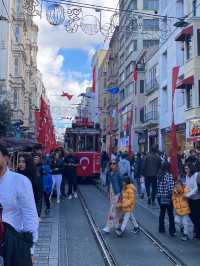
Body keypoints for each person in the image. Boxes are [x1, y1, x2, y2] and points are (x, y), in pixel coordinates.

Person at [0, 145, 38, 266]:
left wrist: (30, 250)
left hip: (13, 244)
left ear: (6, 158)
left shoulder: (20, 181)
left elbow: (30, 214)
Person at [18, 153, 43, 220]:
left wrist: (37, 214)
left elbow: (39, 198)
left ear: (28, 163)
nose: (20, 164)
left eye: (23, 162)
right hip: (17, 212)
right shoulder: (16, 176)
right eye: (19, 161)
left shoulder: (36, 177)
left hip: (30, 211)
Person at [102, 160, 122, 233]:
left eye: (114, 163)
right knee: (117, 210)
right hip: (111, 193)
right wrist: (107, 192)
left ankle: (108, 226)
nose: (112, 165)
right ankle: (118, 225)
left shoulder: (118, 174)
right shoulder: (109, 173)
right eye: (111, 163)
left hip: (117, 193)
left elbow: (122, 185)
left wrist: (121, 196)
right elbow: (108, 183)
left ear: (116, 165)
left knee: (112, 210)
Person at [157, 161, 176, 236]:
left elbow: (157, 187)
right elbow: (170, 188)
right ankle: (172, 230)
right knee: (170, 214)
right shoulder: (169, 175)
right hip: (168, 197)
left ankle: (161, 228)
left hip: (160, 197)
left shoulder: (159, 175)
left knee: (162, 213)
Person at [184, 163, 199, 239]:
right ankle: (197, 229)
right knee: (191, 215)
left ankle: (197, 231)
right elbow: (187, 186)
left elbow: (196, 188)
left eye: (187, 168)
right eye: (185, 168)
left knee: (196, 216)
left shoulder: (196, 175)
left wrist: (188, 195)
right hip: (190, 199)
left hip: (197, 198)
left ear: (191, 168)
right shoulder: (187, 175)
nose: (185, 170)